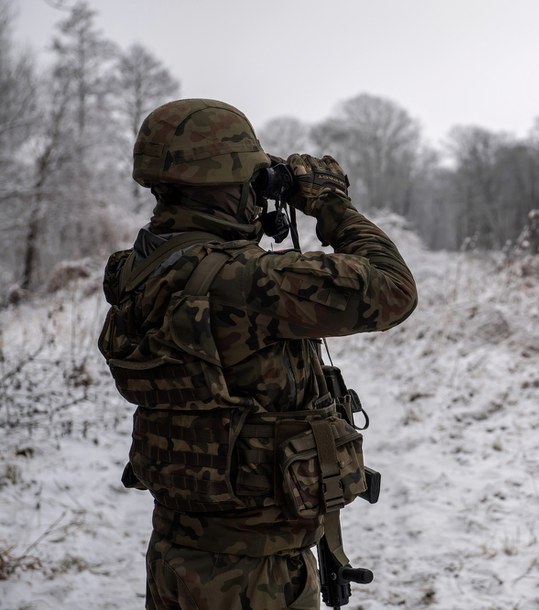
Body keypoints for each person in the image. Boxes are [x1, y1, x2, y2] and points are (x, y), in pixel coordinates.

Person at [97, 98, 417, 610]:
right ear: (225, 183)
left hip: (175, 555)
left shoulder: (136, 271)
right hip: (257, 576)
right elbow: (393, 290)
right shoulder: (249, 282)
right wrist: (331, 205)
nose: (257, 195)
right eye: (251, 181)